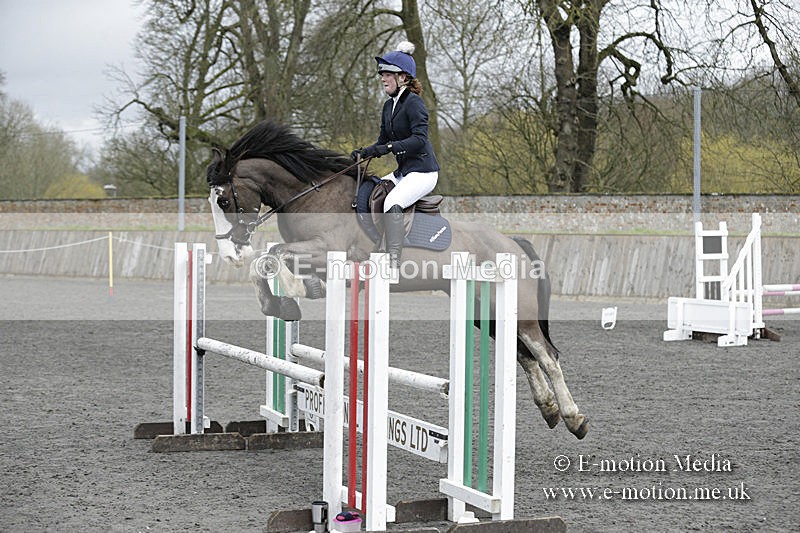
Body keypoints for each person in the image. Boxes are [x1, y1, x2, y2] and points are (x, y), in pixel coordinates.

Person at [351, 41, 440, 268]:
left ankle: (393, 258)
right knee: (372, 194)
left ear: (403, 78)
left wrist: (389, 148)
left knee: (393, 201)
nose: (383, 78)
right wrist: (366, 151)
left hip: (423, 171)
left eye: (388, 74)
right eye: (382, 74)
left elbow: (419, 140)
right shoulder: (388, 106)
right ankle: (377, 242)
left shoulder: (414, 103)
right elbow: (382, 141)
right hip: (404, 171)